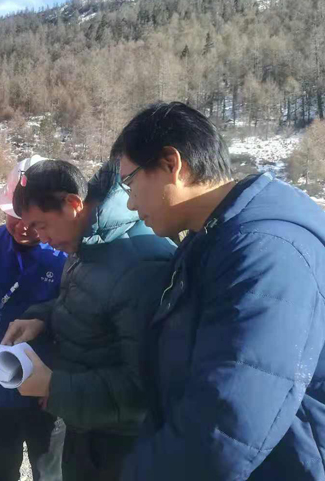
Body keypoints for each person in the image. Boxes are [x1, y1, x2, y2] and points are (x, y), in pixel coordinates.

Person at [111, 102, 325, 481]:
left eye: (130, 183)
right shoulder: (210, 238)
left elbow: (226, 425)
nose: (129, 203)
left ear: (171, 164)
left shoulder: (266, 251)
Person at [2, 159, 175, 481]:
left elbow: (147, 386)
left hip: (122, 447)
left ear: (72, 204)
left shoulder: (141, 263)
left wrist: (55, 387)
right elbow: (90, 303)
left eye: (42, 225)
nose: (40, 238)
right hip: (86, 426)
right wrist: (41, 318)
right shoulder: (88, 242)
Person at [0, 155, 68, 481]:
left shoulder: (65, 252)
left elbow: (79, 320)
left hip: (44, 389)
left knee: (49, 472)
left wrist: (59, 380)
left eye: (31, 219)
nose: (22, 226)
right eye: (14, 216)